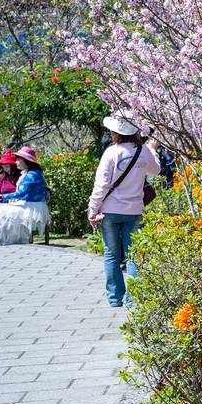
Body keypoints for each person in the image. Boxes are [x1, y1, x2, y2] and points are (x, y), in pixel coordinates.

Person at [88, 110, 160, 308]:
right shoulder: (143, 151)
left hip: (110, 211)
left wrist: (92, 209)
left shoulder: (111, 152)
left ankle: (114, 298)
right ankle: (134, 300)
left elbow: (101, 185)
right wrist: (152, 150)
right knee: (134, 254)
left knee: (111, 254)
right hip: (134, 210)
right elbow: (156, 171)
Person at [0, 147, 50, 247]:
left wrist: (1, 197)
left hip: (33, 207)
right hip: (27, 203)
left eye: (18, 159)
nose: (16, 162)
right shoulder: (28, 173)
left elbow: (20, 193)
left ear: (25, 161)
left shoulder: (32, 175)